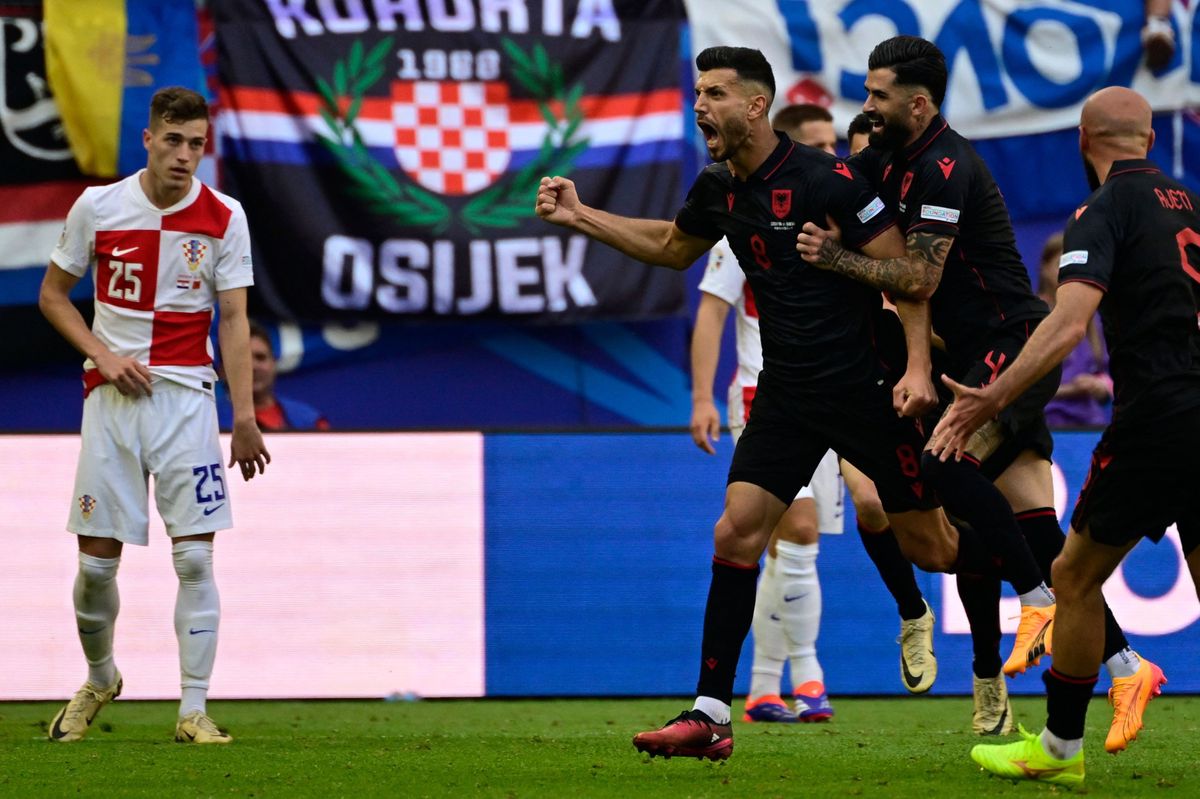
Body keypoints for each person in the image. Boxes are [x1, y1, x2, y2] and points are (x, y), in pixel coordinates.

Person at [537, 45, 1033, 762]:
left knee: (937, 546)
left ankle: (1007, 617)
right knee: (736, 531)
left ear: (755, 104)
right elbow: (676, 248)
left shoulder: (826, 178)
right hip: (788, 394)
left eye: (713, 93)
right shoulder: (717, 187)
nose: (699, 104)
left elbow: (909, 277)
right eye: (696, 91)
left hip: (868, 389)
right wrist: (583, 216)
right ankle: (711, 712)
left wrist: (919, 367)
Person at [796, 36, 1153, 741]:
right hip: (975, 354)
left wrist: (830, 255)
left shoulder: (945, 165)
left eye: (876, 95)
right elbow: (826, 175)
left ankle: (1039, 602)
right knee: (1032, 523)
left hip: (1010, 347)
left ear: (918, 103)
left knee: (941, 461)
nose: (866, 106)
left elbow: (921, 278)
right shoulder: (890, 158)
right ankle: (1125, 661)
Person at [933, 86, 1191, 786]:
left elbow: (1069, 321)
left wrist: (994, 394)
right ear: (1148, 138)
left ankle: (1058, 746)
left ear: (1085, 140)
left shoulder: (1100, 209)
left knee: (1073, 576)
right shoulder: (1191, 205)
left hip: (1156, 417)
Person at [37, 86, 270, 745]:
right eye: (173, 140)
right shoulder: (99, 206)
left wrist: (244, 414)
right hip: (111, 404)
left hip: (187, 403)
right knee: (96, 566)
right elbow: (54, 296)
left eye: (197, 143)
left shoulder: (225, 216)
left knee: (195, 560)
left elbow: (233, 318)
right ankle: (100, 675)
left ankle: (192, 709)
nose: (185, 155)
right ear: (148, 139)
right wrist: (101, 353)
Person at [690, 103, 934, 725]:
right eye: (822, 144)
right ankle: (785, 682)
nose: (837, 158)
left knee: (875, 506)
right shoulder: (740, 215)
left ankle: (909, 611)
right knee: (784, 535)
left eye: (839, 146)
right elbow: (708, 307)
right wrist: (701, 397)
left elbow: (904, 283)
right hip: (768, 393)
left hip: (851, 385)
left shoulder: (846, 212)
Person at [1037, 233, 1112, 428]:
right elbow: (1018, 383)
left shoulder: (1092, 318)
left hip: (1089, 425)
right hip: (1046, 423)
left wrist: (1100, 386)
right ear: (1045, 269)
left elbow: (1104, 374)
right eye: (1061, 265)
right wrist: (1070, 390)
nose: (1068, 273)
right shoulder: (1033, 314)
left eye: (1075, 266)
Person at [217, 321, 330, 431]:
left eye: (260, 357)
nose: (253, 367)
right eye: (242, 359)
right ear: (222, 370)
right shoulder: (205, 423)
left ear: (274, 364)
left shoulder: (309, 422)